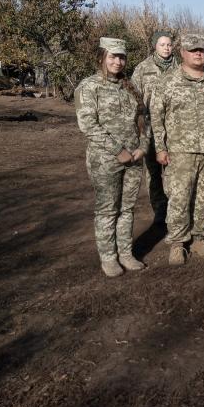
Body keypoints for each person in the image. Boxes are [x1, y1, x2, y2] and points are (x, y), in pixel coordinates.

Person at [150, 33, 204, 265]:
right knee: (179, 198)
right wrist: (160, 147)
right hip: (179, 152)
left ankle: (199, 237)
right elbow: (156, 117)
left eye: (201, 50)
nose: (198, 53)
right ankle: (178, 242)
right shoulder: (167, 82)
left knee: (203, 197)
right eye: (192, 50)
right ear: (182, 53)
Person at [75, 38, 147, 277]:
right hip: (105, 160)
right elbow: (88, 125)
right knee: (107, 209)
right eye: (112, 56)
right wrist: (118, 150)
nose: (118, 61)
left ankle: (126, 253)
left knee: (127, 209)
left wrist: (143, 146)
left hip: (134, 159)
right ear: (102, 57)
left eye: (121, 57)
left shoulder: (130, 87)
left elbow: (144, 121)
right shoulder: (89, 86)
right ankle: (108, 257)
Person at [131, 30, 178, 224]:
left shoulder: (179, 67)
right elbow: (134, 96)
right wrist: (139, 123)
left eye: (169, 45)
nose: (166, 48)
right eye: (162, 44)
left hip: (174, 127)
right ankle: (159, 210)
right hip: (150, 126)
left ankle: (175, 211)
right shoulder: (143, 68)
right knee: (154, 171)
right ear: (154, 46)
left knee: (174, 171)